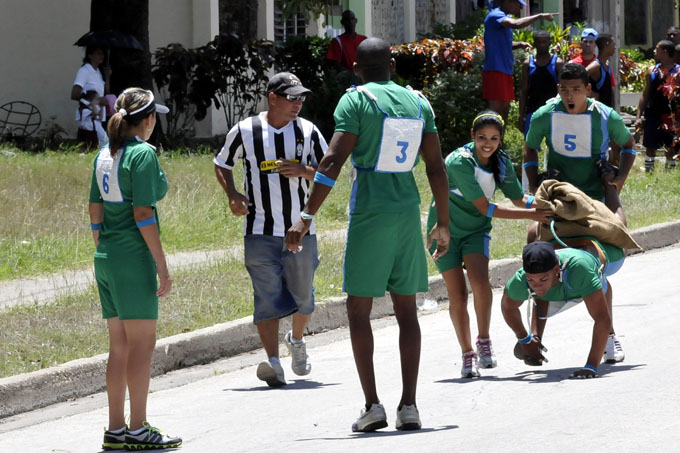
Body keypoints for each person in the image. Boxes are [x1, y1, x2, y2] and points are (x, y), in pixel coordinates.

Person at [285, 37, 450, 432]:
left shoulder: (355, 101)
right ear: (392, 65)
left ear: (357, 69)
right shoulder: (418, 102)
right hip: (407, 212)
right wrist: (443, 222)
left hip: (370, 212)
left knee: (359, 309)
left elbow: (332, 160)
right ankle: (409, 406)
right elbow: (435, 168)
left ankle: (372, 404)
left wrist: (306, 215)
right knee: (406, 310)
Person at [214, 72, 327, 388]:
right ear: (272, 98)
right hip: (259, 228)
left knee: (303, 296)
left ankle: (297, 338)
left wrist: (304, 171)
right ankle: (273, 362)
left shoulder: (308, 131)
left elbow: (328, 170)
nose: (298, 104)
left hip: (301, 228)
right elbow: (222, 163)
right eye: (292, 97)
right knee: (265, 295)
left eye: (301, 98)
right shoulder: (246, 130)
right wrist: (232, 194)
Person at [427, 111, 553, 378]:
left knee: (481, 284)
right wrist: (532, 215)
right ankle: (467, 353)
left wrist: (546, 204)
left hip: (475, 231)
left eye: (494, 138)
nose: (488, 143)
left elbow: (519, 200)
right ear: (472, 136)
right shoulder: (460, 162)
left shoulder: (502, 162)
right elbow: (486, 207)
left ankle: (484, 341)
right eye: (482, 137)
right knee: (458, 295)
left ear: (500, 139)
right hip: (445, 229)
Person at [89, 88, 181, 450]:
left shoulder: (103, 154)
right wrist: (162, 265)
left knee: (120, 346)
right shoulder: (142, 154)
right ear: (148, 120)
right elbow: (143, 214)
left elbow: (95, 212)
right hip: (133, 258)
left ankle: (115, 431)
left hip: (108, 258)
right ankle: (139, 430)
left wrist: (105, 251)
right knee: (142, 346)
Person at [524, 63, 636, 226]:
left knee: (619, 228)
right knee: (533, 235)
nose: (570, 96)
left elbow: (628, 145)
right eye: (564, 90)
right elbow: (530, 147)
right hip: (559, 193)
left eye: (576, 90)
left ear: (588, 89)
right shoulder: (543, 115)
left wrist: (621, 177)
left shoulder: (606, 116)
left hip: (596, 195)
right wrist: (534, 184)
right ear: (558, 89)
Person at [501, 240, 626, 379]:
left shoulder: (580, 270)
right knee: (540, 293)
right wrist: (524, 339)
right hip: (559, 287)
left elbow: (602, 318)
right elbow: (508, 307)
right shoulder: (520, 280)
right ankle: (536, 339)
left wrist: (591, 366)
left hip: (585, 274)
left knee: (602, 295)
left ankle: (609, 337)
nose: (537, 285)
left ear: (555, 270)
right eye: (531, 280)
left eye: (543, 279)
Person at [482, 0, 557, 121]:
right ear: (508, 2)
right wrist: (540, 16)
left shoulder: (503, 18)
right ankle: (489, 138)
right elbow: (516, 24)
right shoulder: (496, 15)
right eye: (519, 4)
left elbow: (504, 43)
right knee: (495, 111)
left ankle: (499, 139)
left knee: (504, 110)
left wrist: (520, 44)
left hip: (505, 70)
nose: (520, 8)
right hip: (495, 70)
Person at [635, 40, 679, 172]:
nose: (654, 51)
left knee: (671, 146)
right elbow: (645, 94)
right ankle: (649, 172)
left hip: (671, 116)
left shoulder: (678, 72)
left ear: (665, 52)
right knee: (650, 146)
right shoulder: (652, 71)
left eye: (657, 48)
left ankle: (669, 172)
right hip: (653, 114)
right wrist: (638, 116)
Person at [518, 30, 564, 136]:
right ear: (534, 44)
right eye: (539, 42)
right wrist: (521, 116)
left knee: (554, 147)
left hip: (553, 112)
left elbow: (563, 89)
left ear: (549, 42)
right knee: (530, 148)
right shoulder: (528, 64)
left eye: (544, 41)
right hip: (532, 112)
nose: (542, 45)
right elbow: (524, 91)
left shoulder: (558, 63)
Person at [72, 45, 110, 124]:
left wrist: (107, 77)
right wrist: (97, 100)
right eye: (98, 53)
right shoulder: (84, 71)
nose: (101, 56)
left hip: (99, 116)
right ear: (90, 55)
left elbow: (106, 92)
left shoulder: (98, 72)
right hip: (88, 118)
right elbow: (74, 94)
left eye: (102, 54)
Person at [586, 33, 616, 107]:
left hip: (607, 112)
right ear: (607, 45)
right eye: (613, 45)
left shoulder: (607, 64)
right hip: (597, 113)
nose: (615, 48)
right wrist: (591, 93)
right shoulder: (596, 65)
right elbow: (578, 77)